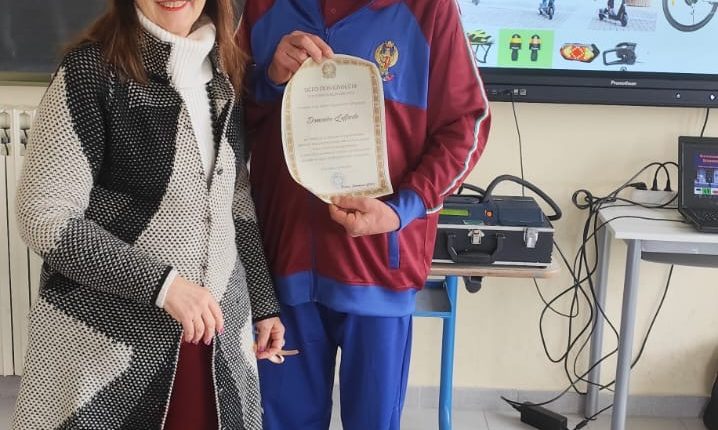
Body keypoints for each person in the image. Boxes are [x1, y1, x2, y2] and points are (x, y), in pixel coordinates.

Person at [11, 0, 284, 429]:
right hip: (108, 346)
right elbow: (44, 215)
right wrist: (164, 285)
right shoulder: (91, 71)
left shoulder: (224, 72)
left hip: (215, 337)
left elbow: (235, 202)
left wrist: (263, 305)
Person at [240, 0, 491, 428]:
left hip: (379, 266)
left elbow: (467, 125)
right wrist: (269, 80)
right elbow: (223, 118)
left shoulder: (428, 9)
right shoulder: (260, 7)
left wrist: (400, 211)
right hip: (284, 268)